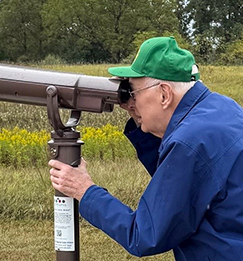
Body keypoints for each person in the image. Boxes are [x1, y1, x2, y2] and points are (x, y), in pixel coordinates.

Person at [48, 36, 243, 260]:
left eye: (133, 92)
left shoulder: (189, 143)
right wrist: (137, 114)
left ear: (164, 94)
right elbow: (180, 190)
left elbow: (144, 234)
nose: (129, 101)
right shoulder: (222, 109)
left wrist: (85, 190)